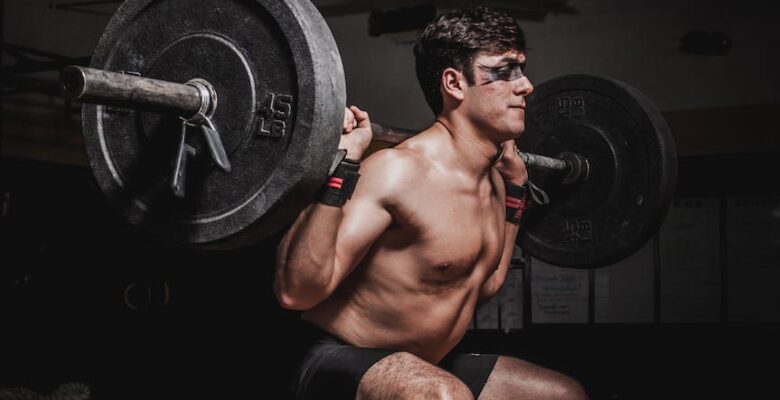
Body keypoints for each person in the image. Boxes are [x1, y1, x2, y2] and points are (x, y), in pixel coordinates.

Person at [275, 6, 588, 400]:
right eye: (505, 72)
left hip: (427, 366)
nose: (525, 86)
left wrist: (517, 191)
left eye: (521, 70)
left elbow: (485, 283)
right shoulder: (397, 171)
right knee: (440, 396)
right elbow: (296, 292)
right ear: (454, 84)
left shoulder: (494, 182)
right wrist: (340, 169)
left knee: (562, 394)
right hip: (335, 358)